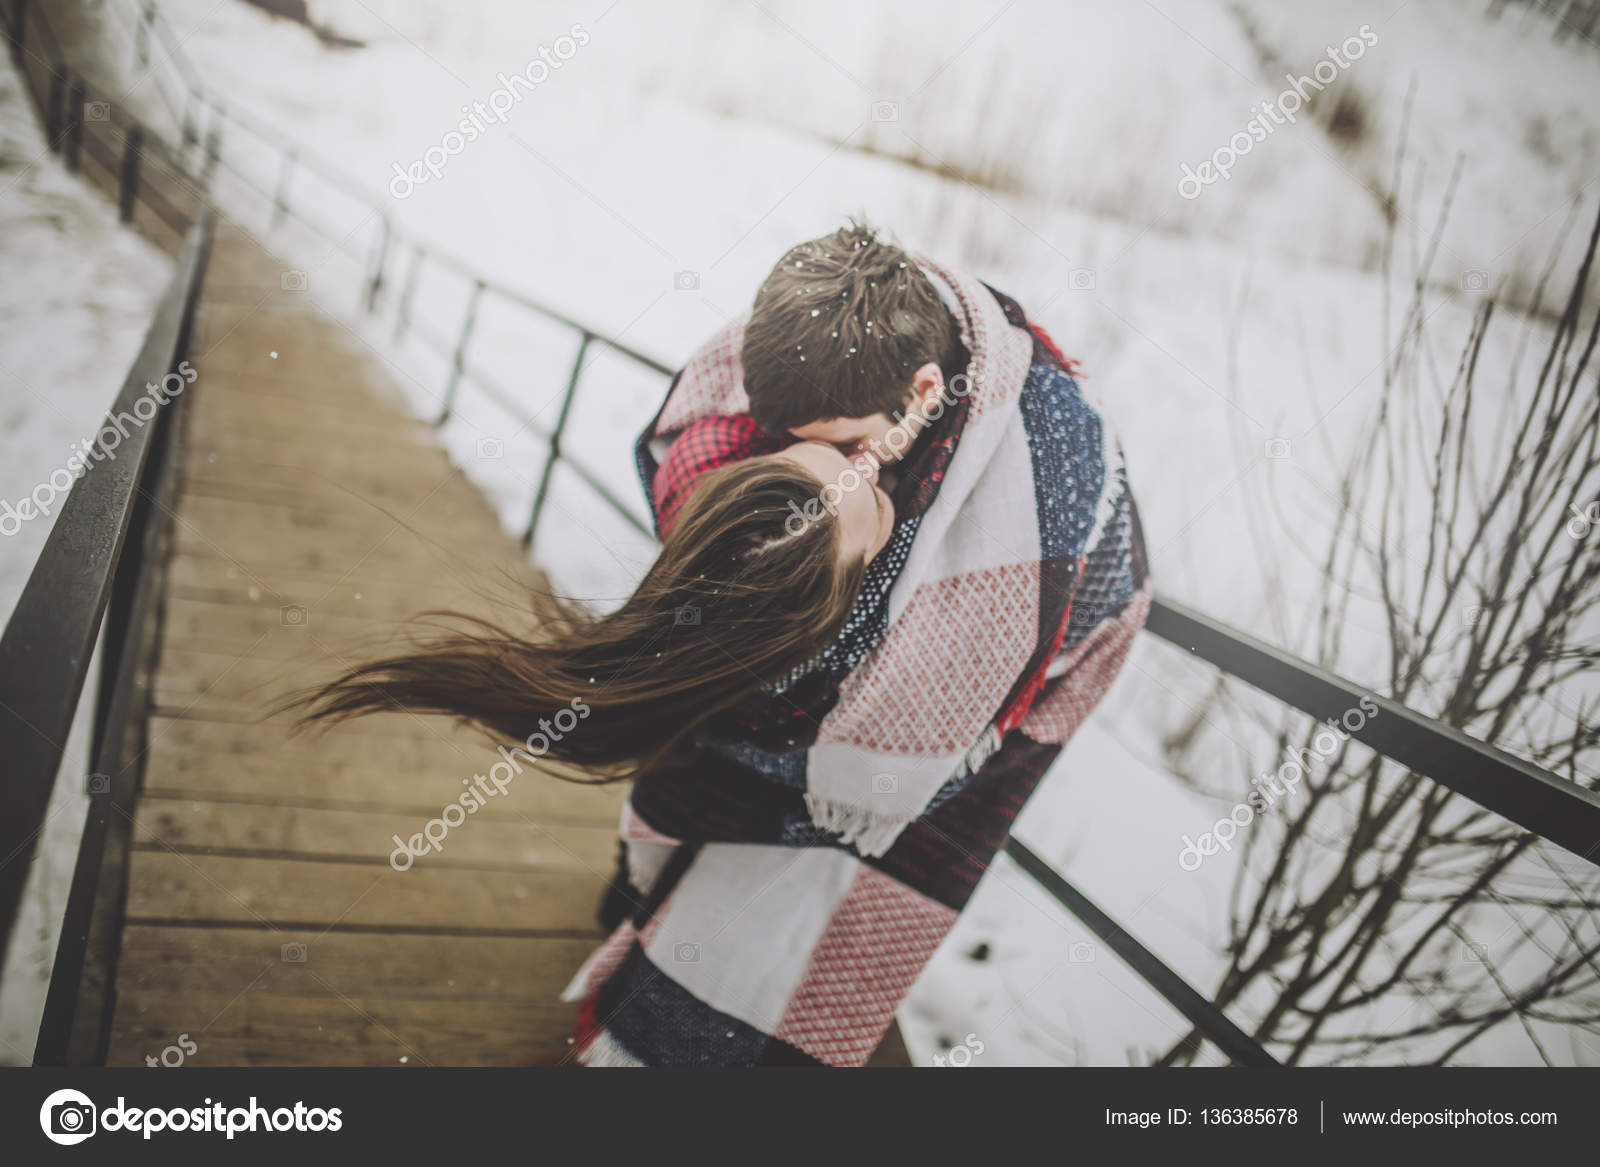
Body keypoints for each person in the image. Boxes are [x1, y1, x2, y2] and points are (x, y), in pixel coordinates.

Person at [301, 220, 1150, 1067]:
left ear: (926, 390)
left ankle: (695, 977)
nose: (843, 467)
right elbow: (730, 450)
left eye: (851, 447)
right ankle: (648, 898)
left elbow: (924, 733)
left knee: (822, 834)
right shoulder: (812, 344)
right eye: (795, 445)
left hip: (1064, 635)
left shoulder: (1041, 478)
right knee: (714, 712)